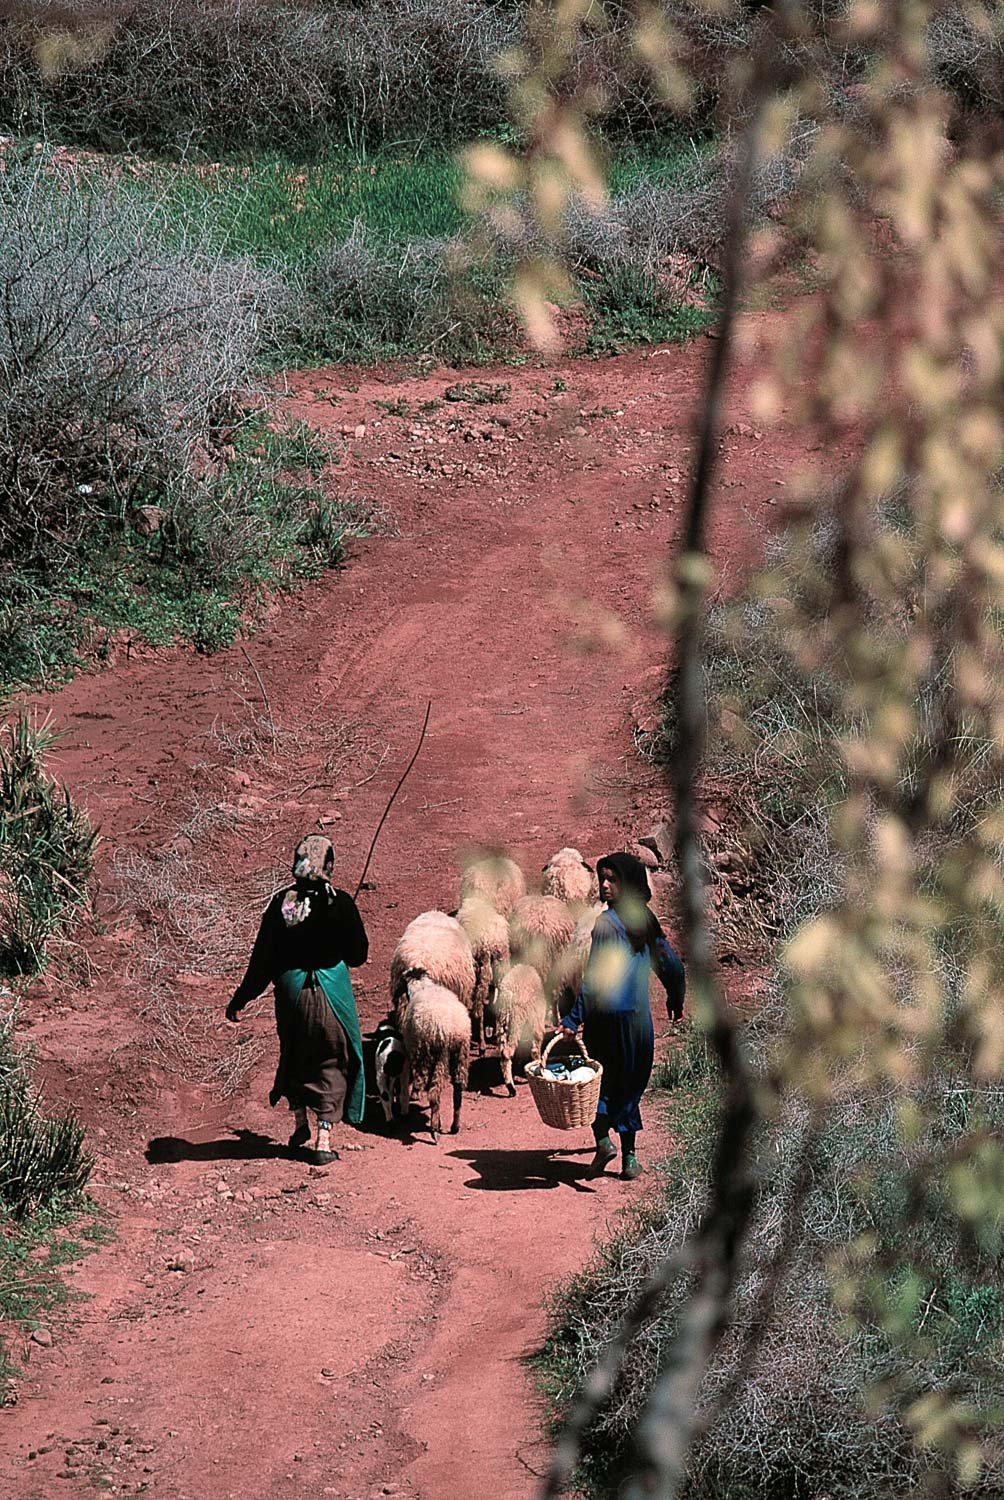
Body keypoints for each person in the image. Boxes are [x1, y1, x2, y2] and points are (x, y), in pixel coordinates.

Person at [227, 834, 369, 1164]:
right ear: (329, 866)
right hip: (332, 993)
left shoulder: (281, 905)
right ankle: (323, 1139)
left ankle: (299, 1123)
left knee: (295, 1052)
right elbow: (358, 955)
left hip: (291, 995)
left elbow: (262, 961)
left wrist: (241, 999)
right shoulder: (342, 903)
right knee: (334, 1058)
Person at [557, 851, 685, 1181]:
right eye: (602, 878)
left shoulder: (605, 924)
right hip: (639, 1023)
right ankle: (629, 1159)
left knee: (599, 1081)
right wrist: (676, 999)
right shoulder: (646, 922)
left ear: (627, 883)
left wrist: (573, 1020)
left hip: (605, 1021)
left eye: (612, 879)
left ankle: (603, 1142)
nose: (604, 885)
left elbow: (595, 979)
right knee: (629, 1085)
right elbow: (671, 966)